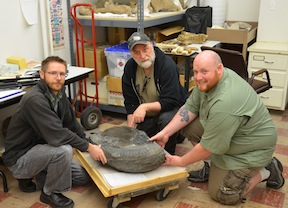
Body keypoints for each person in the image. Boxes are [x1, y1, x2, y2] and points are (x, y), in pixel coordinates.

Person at [150, 50, 285, 205]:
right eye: (195, 71)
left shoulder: (226, 100)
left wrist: (181, 162)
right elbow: (190, 108)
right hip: (233, 135)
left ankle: (267, 170)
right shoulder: (209, 80)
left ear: (219, 68)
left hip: (252, 147)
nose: (198, 77)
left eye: (204, 71)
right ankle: (209, 166)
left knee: (223, 195)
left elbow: (207, 148)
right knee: (189, 126)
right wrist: (165, 133)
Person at [2, 56, 107, 208]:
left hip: (41, 150)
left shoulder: (58, 94)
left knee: (82, 177)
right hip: (20, 158)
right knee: (64, 150)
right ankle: (50, 193)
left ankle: (38, 176)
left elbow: (71, 123)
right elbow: (58, 134)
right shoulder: (34, 99)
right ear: (42, 74)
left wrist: (87, 142)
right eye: (53, 73)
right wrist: (88, 148)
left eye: (62, 74)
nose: (58, 78)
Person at [122, 32, 188, 154]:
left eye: (145, 49)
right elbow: (130, 102)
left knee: (166, 119)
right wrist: (131, 130)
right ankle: (174, 134)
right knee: (139, 142)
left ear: (152, 45)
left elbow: (171, 100)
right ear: (131, 54)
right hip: (148, 116)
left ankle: (168, 153)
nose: (142, 55)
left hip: (170, 110)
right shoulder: (130, 68)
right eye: (136, 52)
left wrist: (144, 107)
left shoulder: (167, 65)